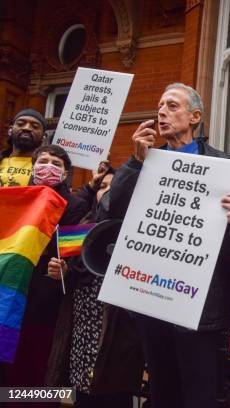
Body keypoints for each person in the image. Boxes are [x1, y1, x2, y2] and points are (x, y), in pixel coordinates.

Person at [107, 83, 230, 408]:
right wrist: (135, 163)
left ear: (194, 116)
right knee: (163, 394)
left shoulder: (222, 166)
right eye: (159, 107)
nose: (162, 113)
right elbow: (114, 212)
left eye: (172, 106)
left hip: (201, 310)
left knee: (200, 396)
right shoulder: (147, 163)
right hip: (153, 302)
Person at [45, 168, 145, 408]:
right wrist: (62, 273)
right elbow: (72, 274)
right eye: (103, 187)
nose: (108, 192)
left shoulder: (138, 229)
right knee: (81, 393)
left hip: (117, 332)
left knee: (114, 393)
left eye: (115, 187)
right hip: (82, 327)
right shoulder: (83, 225)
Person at [2, 145, 89, 407]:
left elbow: (75, 255)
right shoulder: (15, 197)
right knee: (8, 363)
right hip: (11, 294)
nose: (47, 166)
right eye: (42, 161)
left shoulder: (76, 205)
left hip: (46, 300)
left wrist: (65, 270)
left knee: (39, 366)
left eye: (55, 163)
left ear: (64, 174)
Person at [0, 109, 47, 187]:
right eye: (21, 124)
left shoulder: (46, 167)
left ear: (44, 136)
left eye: (35, 127)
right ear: (10, 130)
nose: (27, 128)